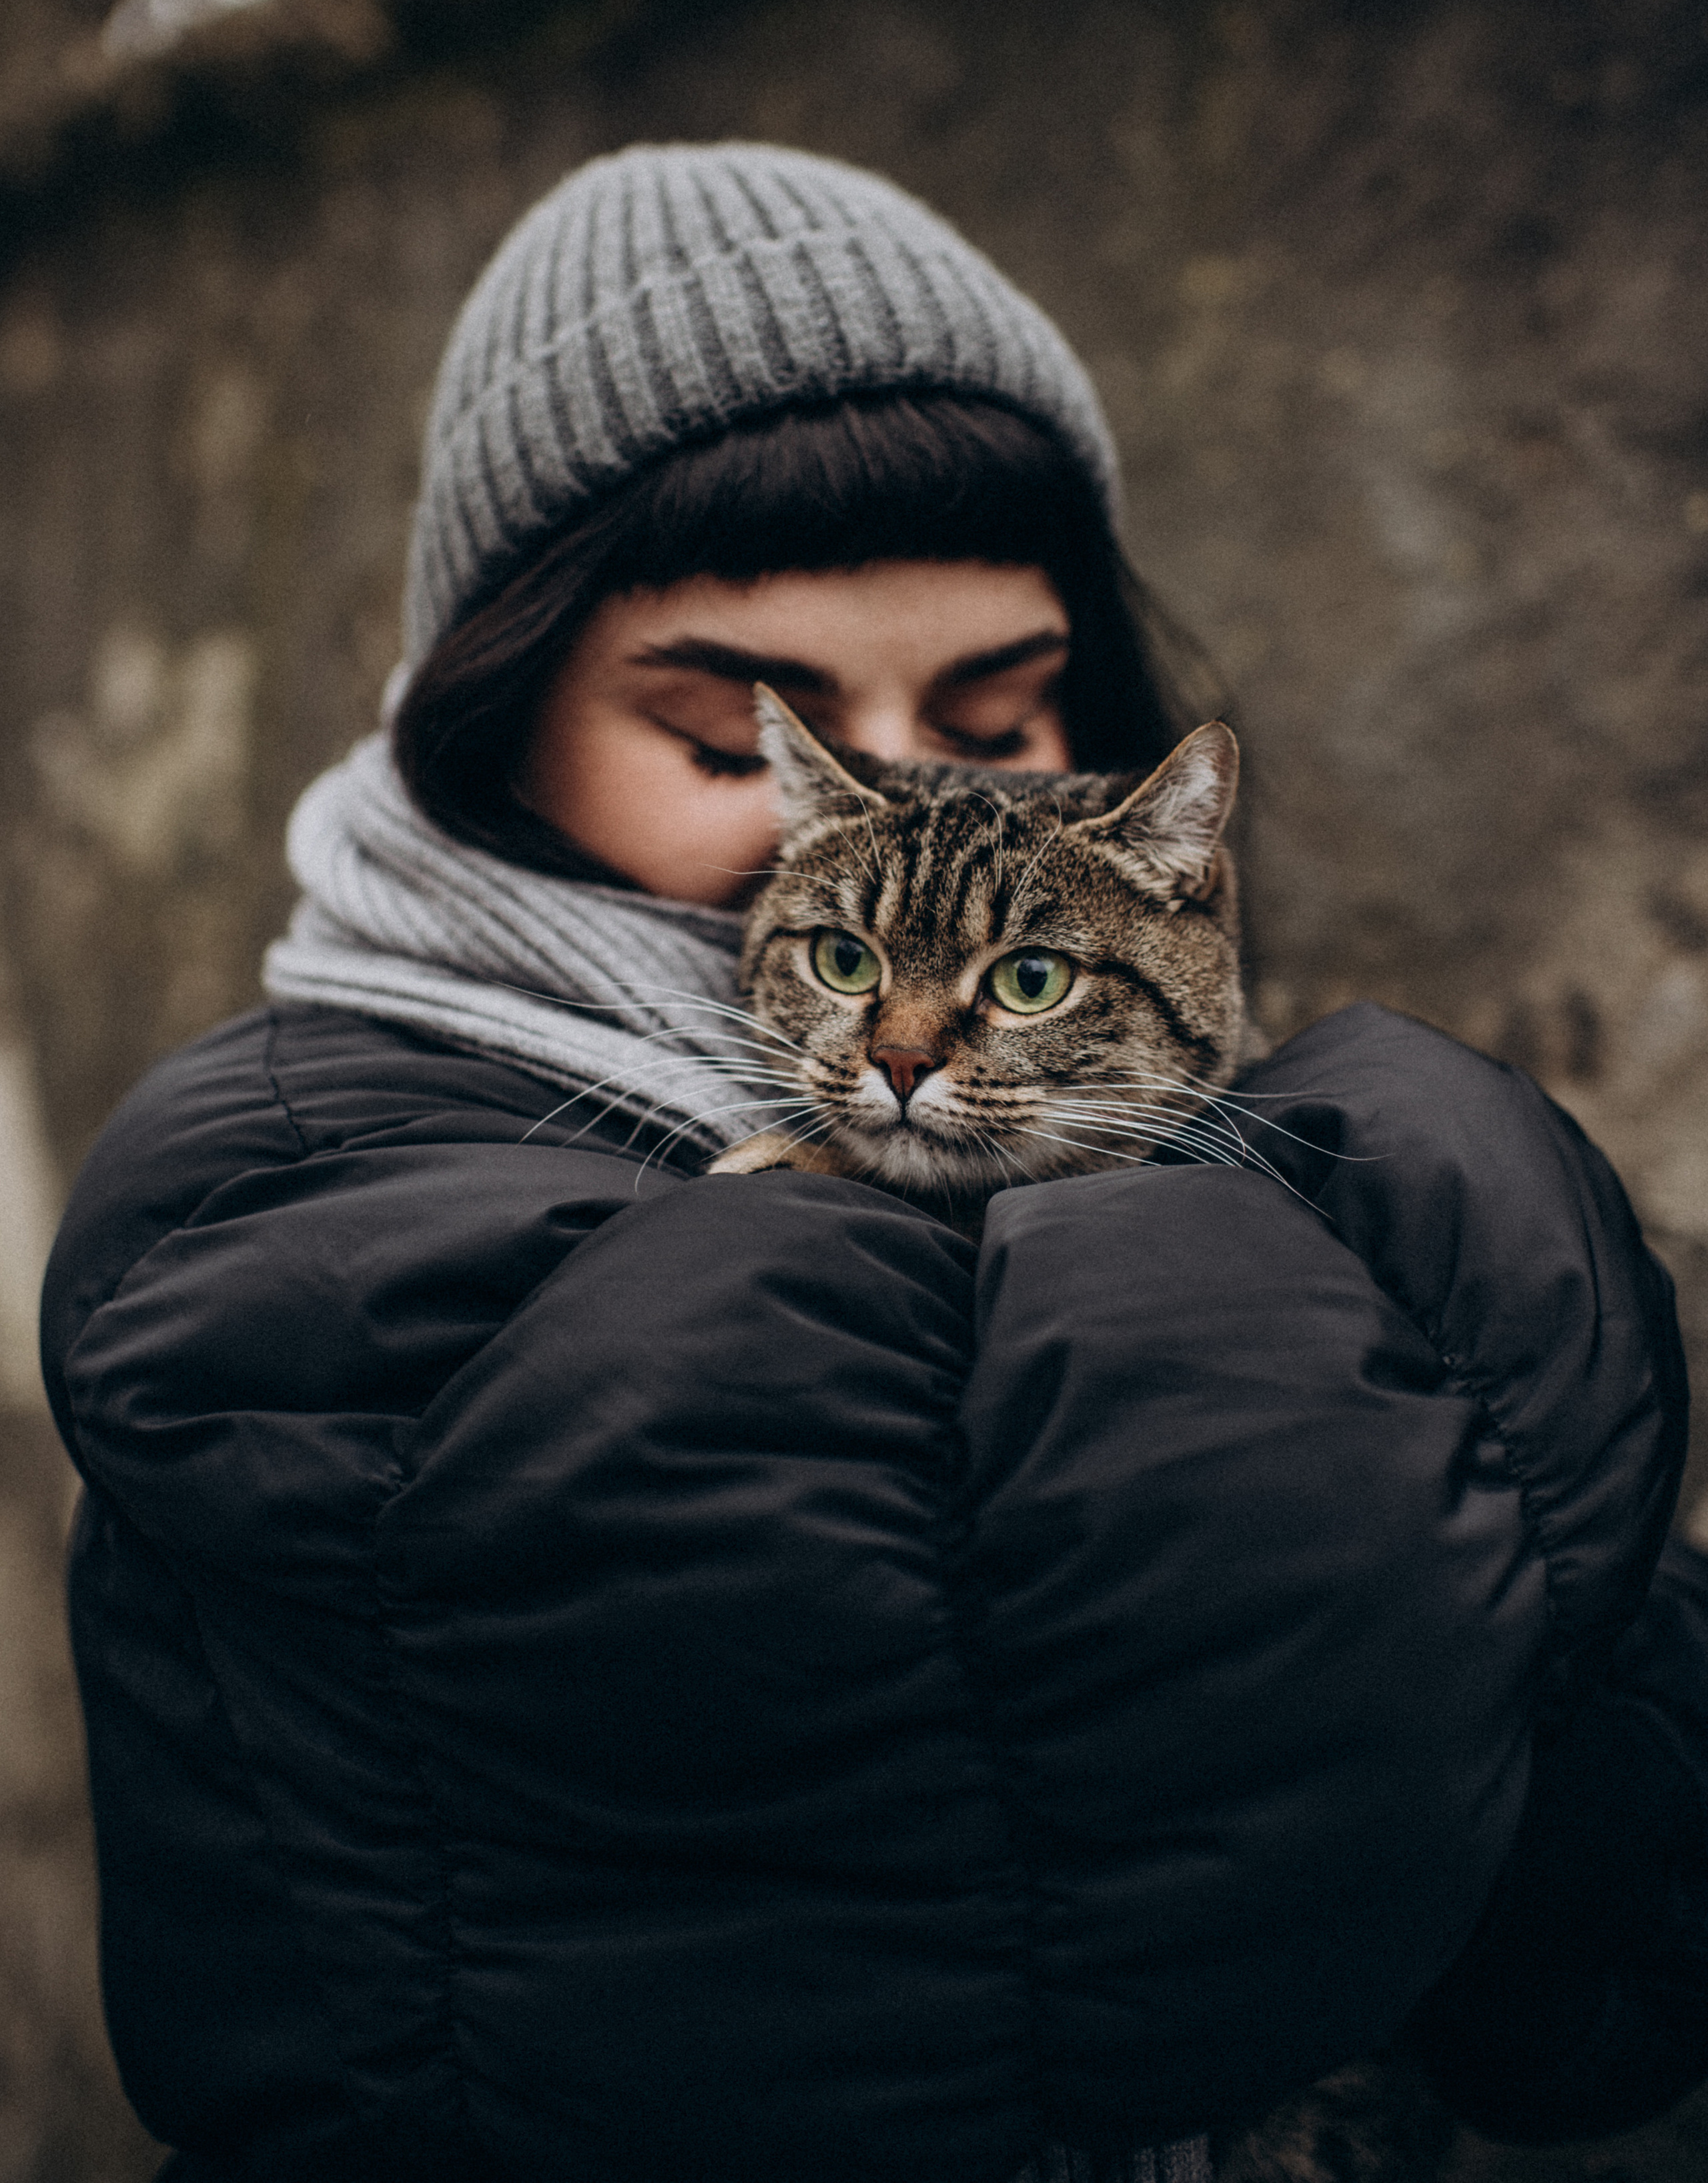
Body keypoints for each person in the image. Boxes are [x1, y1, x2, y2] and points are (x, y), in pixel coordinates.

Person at [40, 143, 1708, 2183]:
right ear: (489, 709)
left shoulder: (1148, 1046)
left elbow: (1614, 1930)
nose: (887, 802)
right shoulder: (275, 1177)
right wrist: (1451, 1243)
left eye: (997, 719)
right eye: (739, 742)